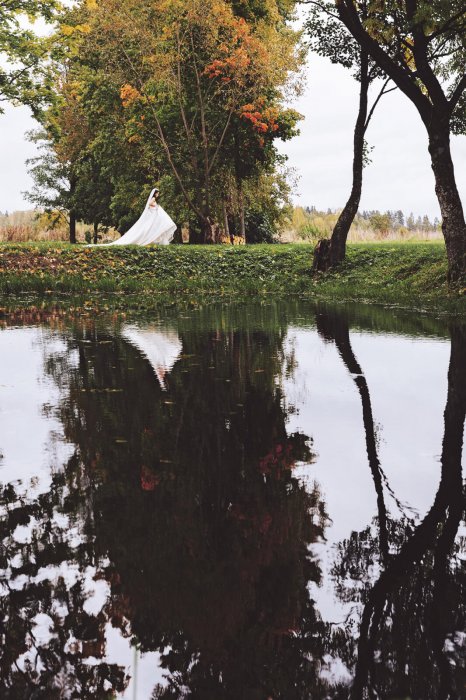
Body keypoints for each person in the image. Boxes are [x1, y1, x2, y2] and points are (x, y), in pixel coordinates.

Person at [92, 187, 177, 246]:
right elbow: (150, 204)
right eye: (157, 193)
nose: (158, 194)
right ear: (155, 194)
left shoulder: (154, 199)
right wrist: (156, 206)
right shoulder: (153, 199)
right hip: (153, 215)